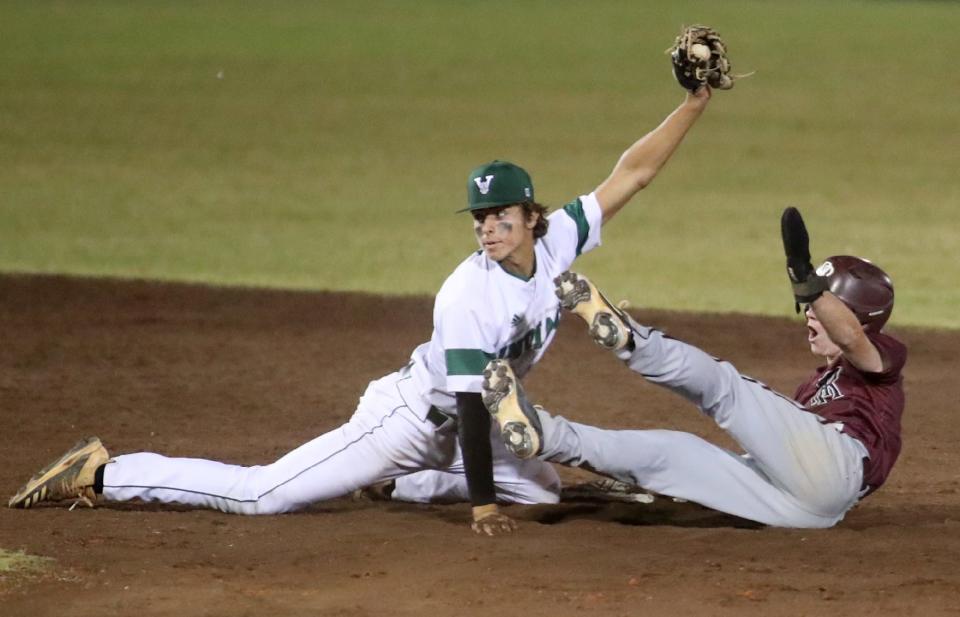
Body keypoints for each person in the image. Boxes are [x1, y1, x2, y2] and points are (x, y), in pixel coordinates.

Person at [8, 84, 715, 535]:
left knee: (543, 492)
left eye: (500, 215)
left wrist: (693, 103)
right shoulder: (467, 292)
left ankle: (402, 487)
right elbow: (470, 407)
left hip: (466, 428)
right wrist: (481, 506)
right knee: (265, 496)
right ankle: (105, 470)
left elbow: (635, 173)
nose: (487, 228)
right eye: (478, 218)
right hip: (407, 419)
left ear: (532, 215)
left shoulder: (560, 238)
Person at [480, 210, 905, 528]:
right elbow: (791, 465)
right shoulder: (815, 386)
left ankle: (632, 339)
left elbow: (851, 339)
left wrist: (806, 281)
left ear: (857, 316)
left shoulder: (882, 359)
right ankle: (545, 435)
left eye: (821, 307)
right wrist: (664, 485)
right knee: (673, 456)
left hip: (841, 470)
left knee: (725, 387)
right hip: (812, 512)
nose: (809, 316)